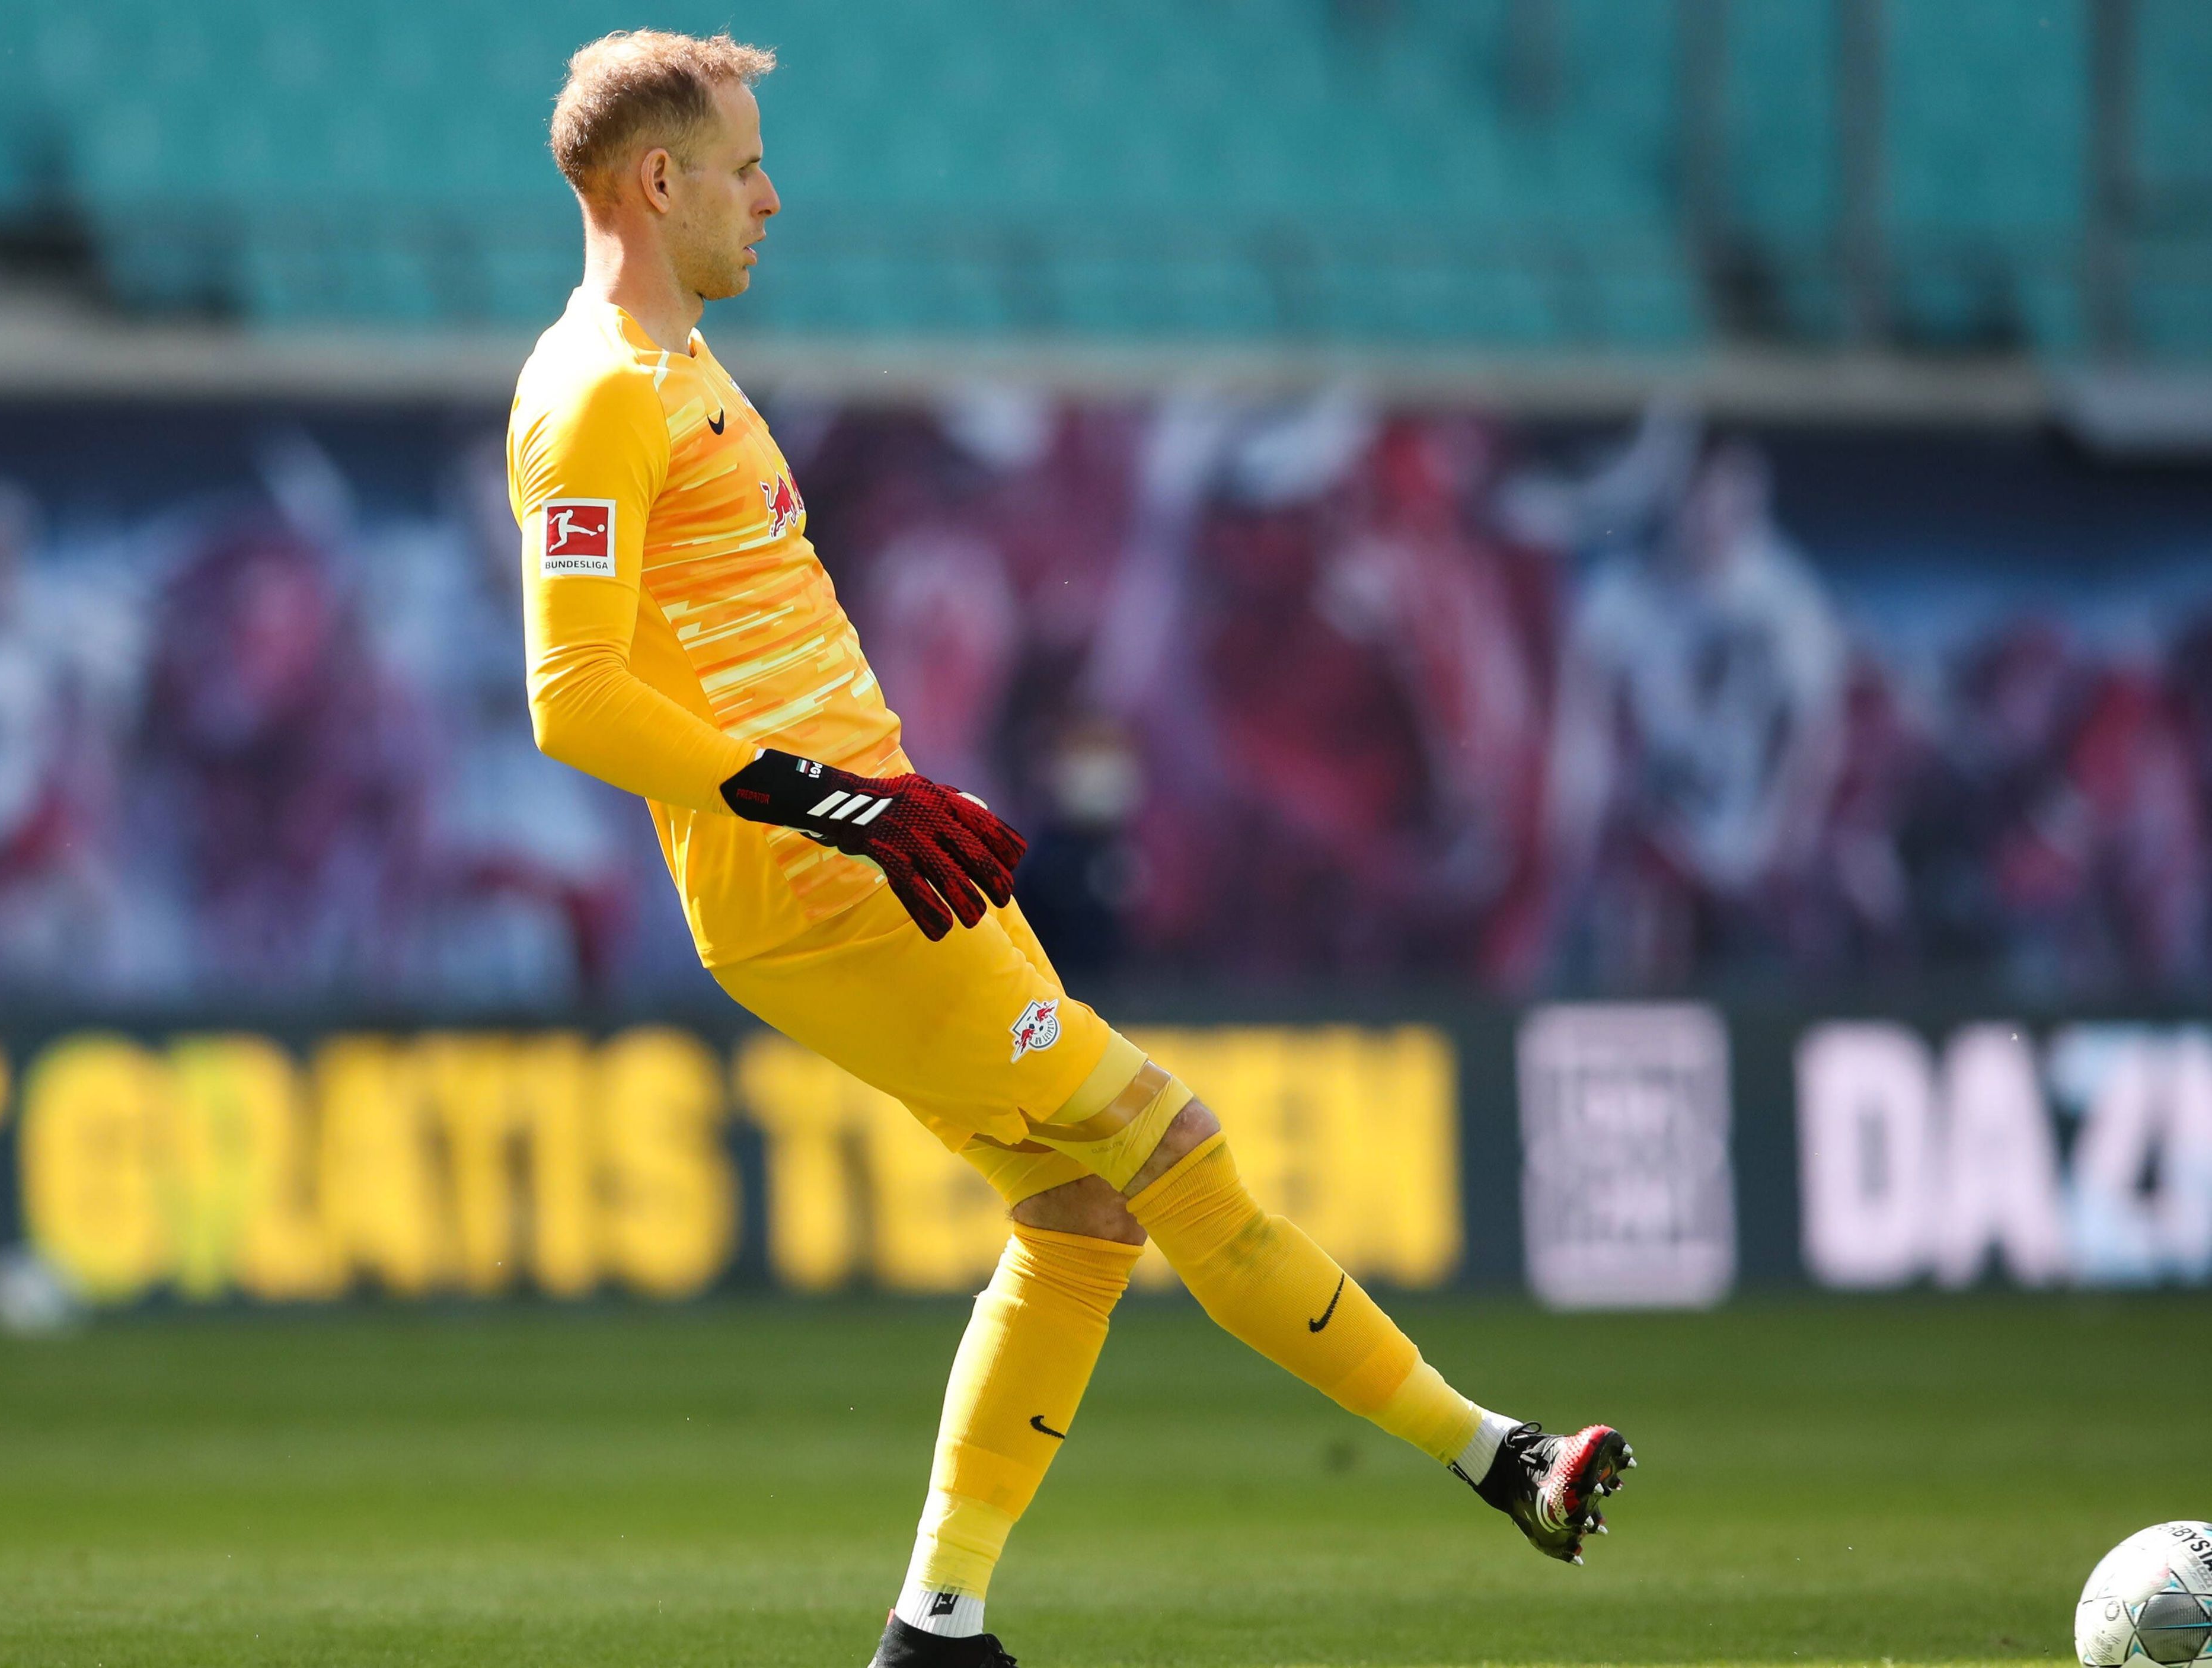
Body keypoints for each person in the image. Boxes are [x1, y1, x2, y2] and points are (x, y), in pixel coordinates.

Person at [502, 32, 1633, 1668]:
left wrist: (878, 799)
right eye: (742, 166)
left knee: (1085, 1215)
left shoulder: (674, 369)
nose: (772, 194)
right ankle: (1499, 1455)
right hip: (824, 882)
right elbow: (573, 697)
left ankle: (938, 1626)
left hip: (881, 862)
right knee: (1173, 1148)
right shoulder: (596, 392)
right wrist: (846, 802)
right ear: (656, 182)